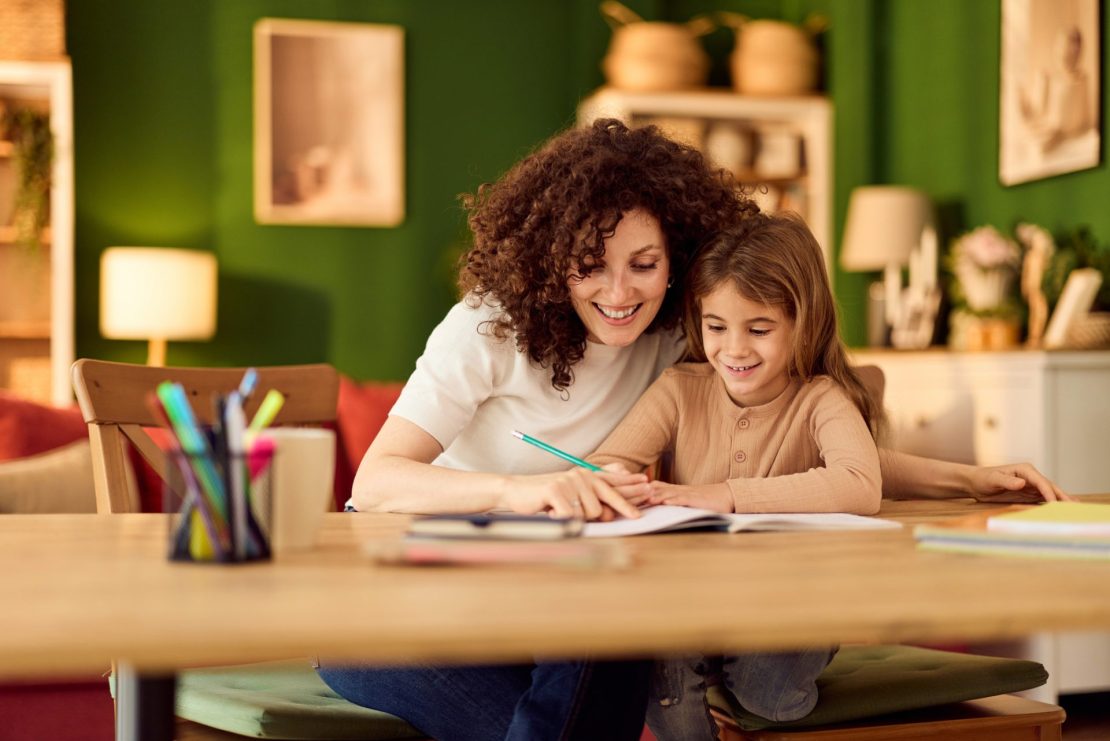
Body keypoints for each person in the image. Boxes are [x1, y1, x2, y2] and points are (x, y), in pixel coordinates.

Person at [318, 118, 1067, 741]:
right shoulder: (486, 329)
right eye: (592, 266)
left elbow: (816, 447)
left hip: (552, 602)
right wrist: (529, 490)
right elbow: (378, 481)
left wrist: (965, 476)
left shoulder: (682, 339)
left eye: (644, 265)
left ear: (675, 257)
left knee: (611, 636)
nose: (619, 294)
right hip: (403, 602)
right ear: (552, 260)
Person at [587, 212, 880, 739]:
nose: (734, 350)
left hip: (789, 605)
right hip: (694, 600)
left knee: (770, 698)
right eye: (716, 327)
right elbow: (613, 461)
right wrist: (610, 479)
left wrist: (720, 495)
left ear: (804, 322)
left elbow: (861, 480)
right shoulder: (680, 388)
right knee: (658, 660)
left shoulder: (822, 398)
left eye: (760, 329)